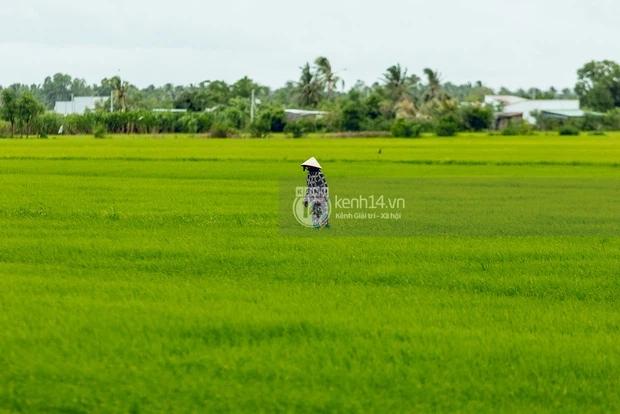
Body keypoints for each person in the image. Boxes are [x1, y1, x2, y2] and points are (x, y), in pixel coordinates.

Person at [301, 157, 330, 228]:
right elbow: (309, 187)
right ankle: (316, 225)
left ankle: (325, 225)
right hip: (313, 196)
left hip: (320, 196)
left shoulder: (319, 174)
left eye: (308, 167)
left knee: (323, 210)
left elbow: (324, 186)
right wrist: (306, 199)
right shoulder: (309, 175)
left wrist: (322, 197)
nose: (307, 168)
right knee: (315, 211)